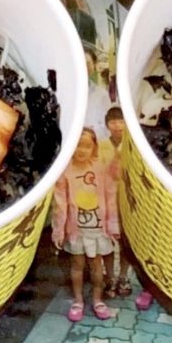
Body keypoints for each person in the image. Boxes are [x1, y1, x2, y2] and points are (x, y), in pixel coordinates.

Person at [54, 127, 117, 322]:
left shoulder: (100, 168)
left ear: (94, 148)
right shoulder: (64, 171)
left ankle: (97, 299)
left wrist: (113, 226)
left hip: (98, 229)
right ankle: (78, 300)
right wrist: (58, 231)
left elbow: (110, 197)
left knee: (97, 266)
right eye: (77, 145)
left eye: (86, 146)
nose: (81, 150)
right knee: (77, 265)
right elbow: (60, 204)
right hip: (76, 230)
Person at [102, 105, 152, 309]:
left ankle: (124, 277)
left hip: (130, 199)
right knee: (106, 242)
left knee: (126, 242)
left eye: (121, 121)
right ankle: (109, 277)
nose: (117, 126)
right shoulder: (101, 146)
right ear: (107, 125)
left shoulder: (135, 145)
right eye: (113, 122)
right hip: (106, 199)